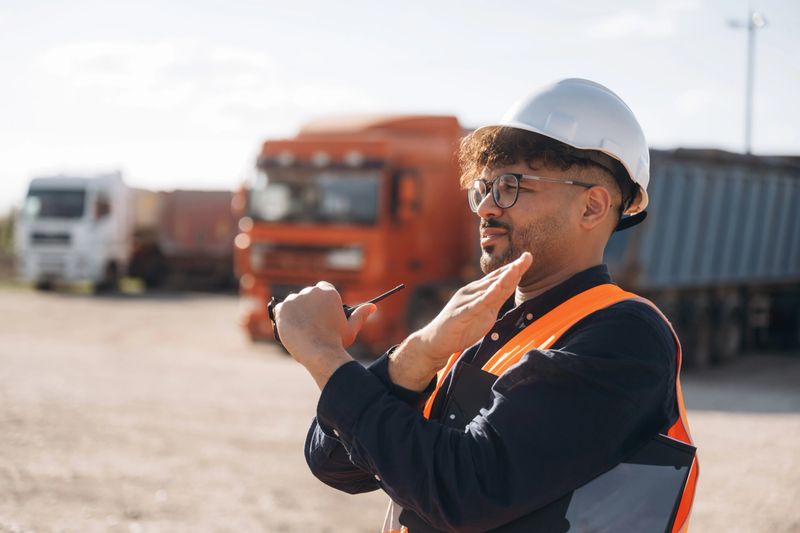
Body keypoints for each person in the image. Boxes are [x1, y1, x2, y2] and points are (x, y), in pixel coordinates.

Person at [273, 78, 698, 532]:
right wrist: (418, 353)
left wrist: (325, 356)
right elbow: (335, 462)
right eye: (484, 186)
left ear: (592, 207)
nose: (486, 207)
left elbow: (467, 491)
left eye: (512, 185)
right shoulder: (482, 330)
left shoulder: (623, 336)